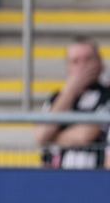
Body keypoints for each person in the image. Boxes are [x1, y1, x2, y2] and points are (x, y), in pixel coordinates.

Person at [34, 37, 110, 170]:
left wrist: (52, 139)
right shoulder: (57, 98)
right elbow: (40, 134)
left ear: (99, 62)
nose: (83, 66)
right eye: (76, 61)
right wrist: (69, 93)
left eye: (88, 59)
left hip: (94, 175)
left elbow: (85, 135)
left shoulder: (106, 94)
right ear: (68, 66)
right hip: (57, 176)